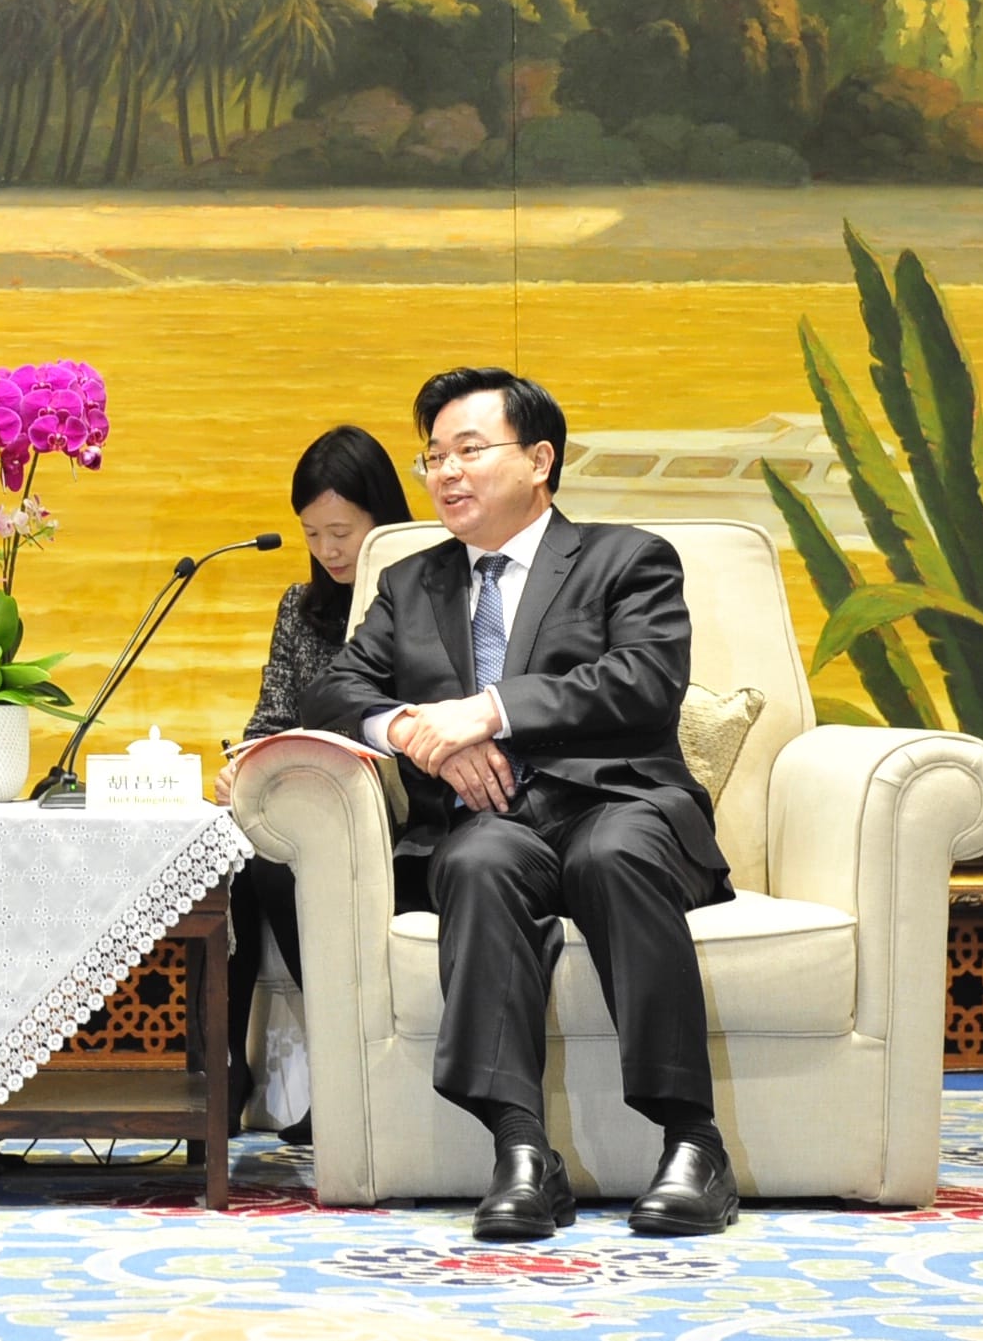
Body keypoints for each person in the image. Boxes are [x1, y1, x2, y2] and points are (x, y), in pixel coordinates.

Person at [297, 366, 737, 1242]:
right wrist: (418, 733)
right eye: (432, 456)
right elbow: (333, 691)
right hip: (493, 820)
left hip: (619, 802)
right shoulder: (411, 583)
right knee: (473, 859)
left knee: (614, 855)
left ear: (540, 459)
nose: (445, 472)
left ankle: (693, 1143)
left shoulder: (626, 557)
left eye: (469, 449)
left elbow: (644, 681)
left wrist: (489, 710)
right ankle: (522, 1151)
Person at [212, 424, 412, 1143]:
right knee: (229, 853)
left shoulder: (419, 603)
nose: (329, 550)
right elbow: (269, 715)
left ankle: (340, 1070)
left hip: (393, 814)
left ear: (381, 520)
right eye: (314, 533)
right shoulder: (301, 610)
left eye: (342, 531)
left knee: (273, 867)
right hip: (304, 808)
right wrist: (245, 762)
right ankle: (223, 1070)